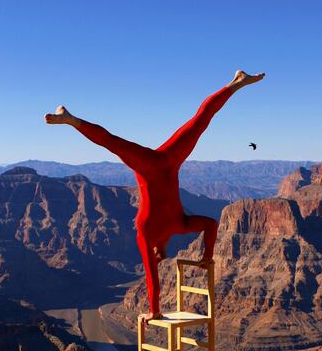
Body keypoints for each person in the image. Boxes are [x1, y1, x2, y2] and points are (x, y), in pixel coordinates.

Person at [45, 70, 265, 322]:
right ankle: (236, 83)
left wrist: (206, 257)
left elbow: (156, 271)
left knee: (196, 122)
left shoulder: (154, 230)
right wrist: (203, 257)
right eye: (160, 252)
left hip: (155, 164)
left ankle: (71, 120)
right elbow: (208, 227)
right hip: (164, 162)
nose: (159, 254)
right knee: (199, 120)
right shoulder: (172, 226)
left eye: (158, 253)